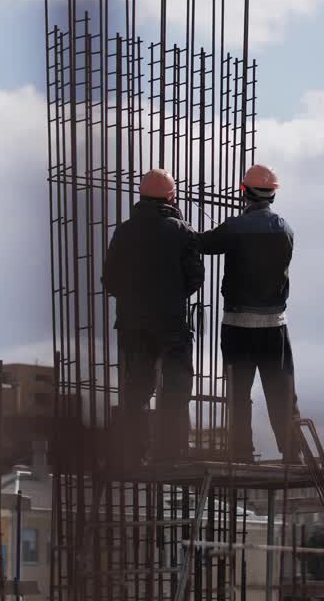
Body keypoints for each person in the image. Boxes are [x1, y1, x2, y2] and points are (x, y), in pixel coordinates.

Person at [198, 164, 300, 464]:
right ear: (273, 194)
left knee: (238, 394)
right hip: (274, 327)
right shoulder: (285, 229)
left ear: (244, 191)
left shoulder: (234, 227)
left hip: (237, 325)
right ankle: (293, 453)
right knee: (281, 393)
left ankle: (241, 453)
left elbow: (203, 244)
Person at [102, 169, 204, 464]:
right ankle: (169, 453)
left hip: (133, 325)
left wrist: (134, 298)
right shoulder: (181, 230)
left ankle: (133, 452)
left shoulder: (124, 231)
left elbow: (109, 279)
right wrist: (172, 295)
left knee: (136, 389)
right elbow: (196, 278)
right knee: (175, 387)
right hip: (170, 323)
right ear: (171, 197)